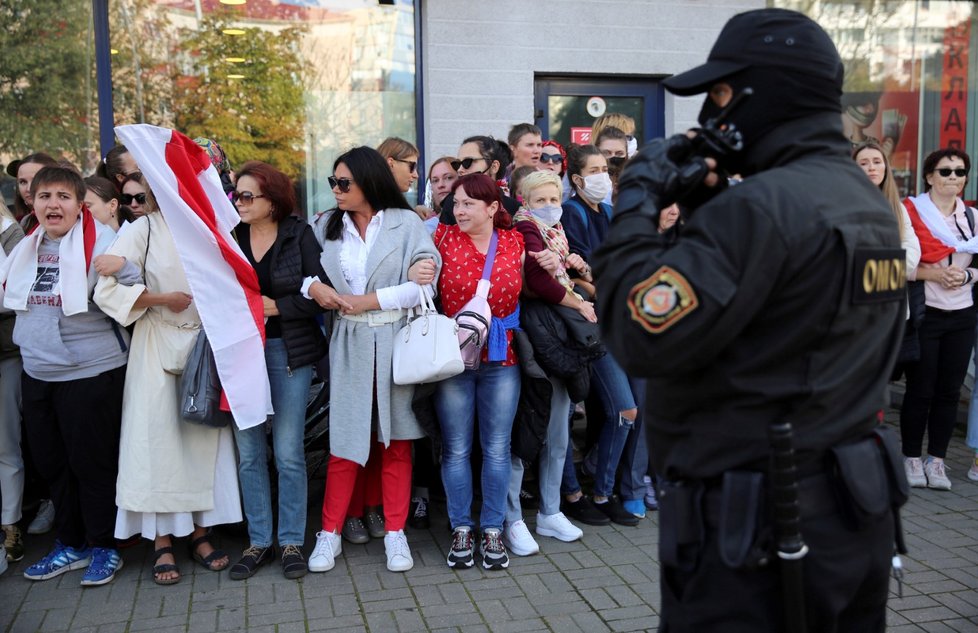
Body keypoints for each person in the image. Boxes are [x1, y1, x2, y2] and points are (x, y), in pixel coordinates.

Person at [591, 9, 906, 631]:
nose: (712, 113)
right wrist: (708, 212)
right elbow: (780, 324)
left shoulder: (763, 210)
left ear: (771, 93)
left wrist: (637, 201)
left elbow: (636, 333)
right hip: (848, 515)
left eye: (723, 93)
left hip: (758, 536)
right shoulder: (859, 199)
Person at [94, 174, 238, 586]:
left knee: (201, 439)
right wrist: (160, 299)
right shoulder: (143, 229)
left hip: (203, 344)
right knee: (157, 444)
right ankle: (160, 540)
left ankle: (200, 532)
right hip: (155, 342)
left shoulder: (208, 228)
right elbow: (104, 289)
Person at [306, 146, 439, 574]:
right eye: (333, 183)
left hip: (396, 339)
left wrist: (371, 298)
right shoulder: (326, 224)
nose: (336, 190)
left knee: (396, 442)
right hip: (348, 341)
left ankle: (396, 534)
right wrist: (314, 289)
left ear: (368, 182)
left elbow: (423, 281)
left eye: (344, 183)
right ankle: (328, 534)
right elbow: (304, 272)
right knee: (345, 442)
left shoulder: (405, 223)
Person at [1, 166, 129, 586]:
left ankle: (104, 547)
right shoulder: (24, 248)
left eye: (63, 196)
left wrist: (121, 271)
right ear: (32, 204)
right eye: (44, 196)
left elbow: (133, 290)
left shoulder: (106, 244)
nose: (52, 204)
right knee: (53, 465)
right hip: (37, 371)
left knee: (91, 464)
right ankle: (70, 544)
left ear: (79, 205)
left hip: (90, 372)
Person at [226, 161, 328, 580]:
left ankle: (290, 541)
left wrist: (275, 306)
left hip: (289, 350)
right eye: (236, 194)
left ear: (273, 200)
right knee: (249, 452)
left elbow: (321, 292)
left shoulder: (298, 233)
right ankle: (258, 541)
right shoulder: (230, 235)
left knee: (288, 452)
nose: (239, 202)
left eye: (248, 196)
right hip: (240, 353)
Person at [433, 173, 524, 570]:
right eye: (456, 202)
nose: (459, 210)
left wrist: (559, 259)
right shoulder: (441, 239)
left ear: (492, 208)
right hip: (453, 359)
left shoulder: (515, 241)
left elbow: (541, 279)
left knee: (497, 448)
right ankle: (460, 528)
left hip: (502, 360)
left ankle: (492, 528)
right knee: (455, 448)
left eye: (469, 203)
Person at [504, 170, 591, 556]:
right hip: (531, 342)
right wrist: (579, 302)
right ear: (524, 200)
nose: (549, 206)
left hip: (555, 340)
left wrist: (574, 266)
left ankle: (551, 512)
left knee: (558, 430)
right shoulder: (525, 230)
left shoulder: (554, 234)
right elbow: (538, 284)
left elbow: (564, 274)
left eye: (553, 198)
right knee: (526, 431)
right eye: (539, 200)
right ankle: (511, 519)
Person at [560, 143, 640, 526]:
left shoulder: (608, 211)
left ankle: (603, 489)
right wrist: (597, 286)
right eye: (593, 171)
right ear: (576, 179)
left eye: (605, 169)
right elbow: (574, 274)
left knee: (622, 412)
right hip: (591, 326)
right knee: (622, 409)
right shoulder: (571, 213)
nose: (602, 177)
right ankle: (591, 482)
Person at [901, 148, 974, 491]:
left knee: (948, 391)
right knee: (921, 389)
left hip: (962, 313)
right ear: (929, 176)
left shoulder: (972, 218)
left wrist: (967, 276)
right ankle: (911, 457)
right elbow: (898, 262)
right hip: (926, 313)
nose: (954, 178)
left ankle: (938, 460)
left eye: (960, 172)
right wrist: (934, 275)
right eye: (945, 171)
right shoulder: (910, 211)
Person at [0, 198, 26, 565]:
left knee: (6, 444)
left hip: (6, 349)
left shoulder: (8, 231)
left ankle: (10, 524)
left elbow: (21, 287)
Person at [439, 136, 520, 223]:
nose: (460, 170)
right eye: (457, 164)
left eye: (468, 162)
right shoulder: (452, 204)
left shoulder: (515, 209)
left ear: (494, 167)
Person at [7, 153, 58, 231]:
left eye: (36, 180)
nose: (29, 188)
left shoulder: (66, 220)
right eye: (23, 182)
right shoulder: (19, 221)